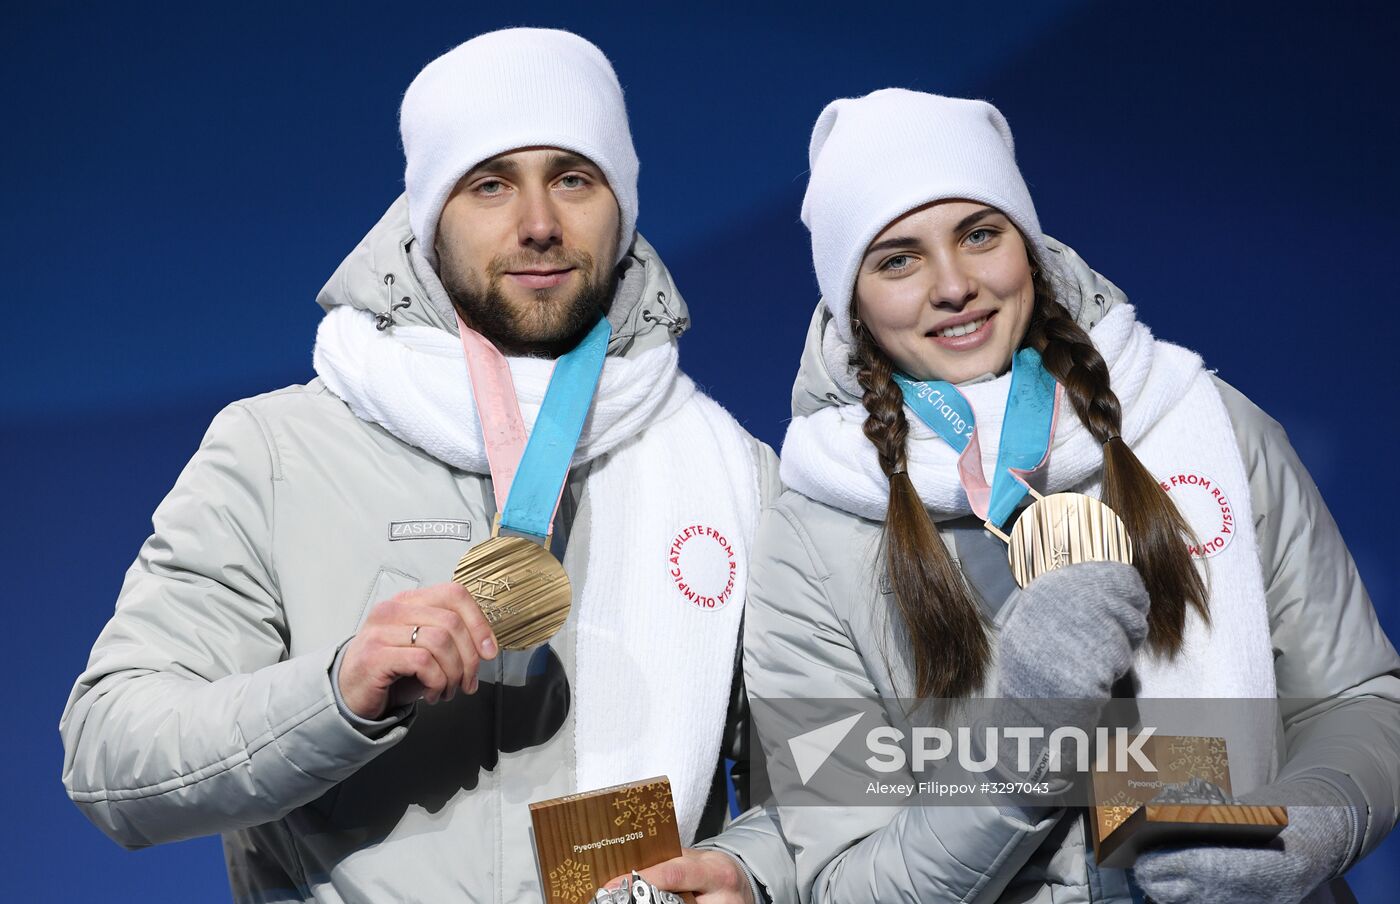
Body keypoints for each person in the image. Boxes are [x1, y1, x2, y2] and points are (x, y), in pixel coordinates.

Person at [60, 28, 793, 904]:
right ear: (429, 213)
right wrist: (335, 693)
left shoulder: (730, 469)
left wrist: (754, 874)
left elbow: (821, 791)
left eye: (573, 178)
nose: (539, 224)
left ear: (621, 204)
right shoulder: (279, 451)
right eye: (490, 185)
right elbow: (109, 757)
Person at [744, 88, 1400, 903]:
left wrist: (1311, 825)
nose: (954, 285)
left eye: (979, 235)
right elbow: (843, 880)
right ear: (855, 302)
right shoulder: (811, 532)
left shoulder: (1203, 422)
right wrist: (1024, 741)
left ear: (1029, 245)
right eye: (899, 259)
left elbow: (1358, 700)